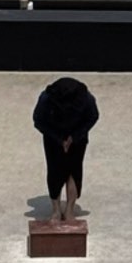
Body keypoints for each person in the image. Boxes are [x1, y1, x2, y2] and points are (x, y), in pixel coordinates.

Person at [33, 75, 99, 213]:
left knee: (74, 171)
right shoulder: (46, 99)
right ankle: (56, 210)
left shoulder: (86, 98)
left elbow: (93, 116)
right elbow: (38, 120)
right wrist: (58, 139)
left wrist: (74, 138)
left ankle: (69, 210)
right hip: (53, 136)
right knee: (54, 171)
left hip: (77, 136)